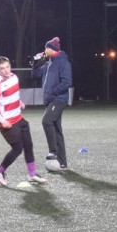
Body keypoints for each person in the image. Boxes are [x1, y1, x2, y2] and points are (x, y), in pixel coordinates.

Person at [0, 56, 47, 186]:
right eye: (2, 68)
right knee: (17, 149)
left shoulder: (14, 77)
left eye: (7, 67)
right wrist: (2, 120)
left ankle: (32, 174)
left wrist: (19, 102)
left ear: (10, 66)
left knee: (28, 146)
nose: (6, 70)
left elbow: (10, 95)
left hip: (19, 118)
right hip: (8, 122)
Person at [30, 37, 73, 170]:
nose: (44, 50)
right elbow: (34, 75)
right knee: (56, 129)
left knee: (46, 121)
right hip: (50, 100)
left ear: (52, 49)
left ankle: (53, 151)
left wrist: (53, 92)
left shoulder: (62, 62)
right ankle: (63, 163)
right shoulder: (48, 64)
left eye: (46, 48)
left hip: (58, 99)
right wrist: (36, 61)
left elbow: (67, 82)